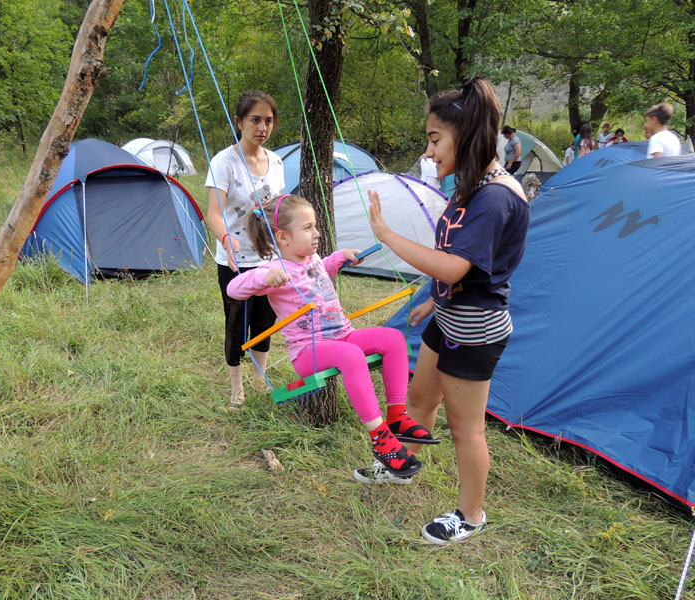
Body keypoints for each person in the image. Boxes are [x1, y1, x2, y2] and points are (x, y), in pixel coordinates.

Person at [367, 78, 530, 544]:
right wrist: (431, 300)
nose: (430, 150)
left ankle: (472, 515)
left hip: (476, 330)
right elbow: (462, 260)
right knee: (419, 400)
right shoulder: (471, 186)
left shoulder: (496, 196)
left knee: (466, 430)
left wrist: (387, 235)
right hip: (449, 317)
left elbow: (457, 267)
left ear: (467, 133)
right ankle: (401, 467)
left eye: (435, 138)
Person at [227, 194, 436, 480]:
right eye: (309, 228)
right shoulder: (273, 271)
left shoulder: (311, 259)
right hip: (308, 352)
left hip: (342, 336)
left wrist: (339, 258)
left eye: (315, 226)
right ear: (283, 237)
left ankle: (397, 415)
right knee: (351, 357)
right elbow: (234, 289)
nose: (317, 233)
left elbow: (320, 272)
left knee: (393, 339)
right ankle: (381, 439)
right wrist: (265, 278)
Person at [205, 90, 286, 410]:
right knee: (236, 323)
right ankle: (236, 387)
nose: (262, 127)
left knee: (265, 321)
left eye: (268, 121)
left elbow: (280, 207)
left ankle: (259, 379)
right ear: (239, 122)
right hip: (233, 260)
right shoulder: (223, 162)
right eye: (255, 120)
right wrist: (226, 240)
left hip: (268, 258)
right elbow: (213, 212)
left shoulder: (277, 161)